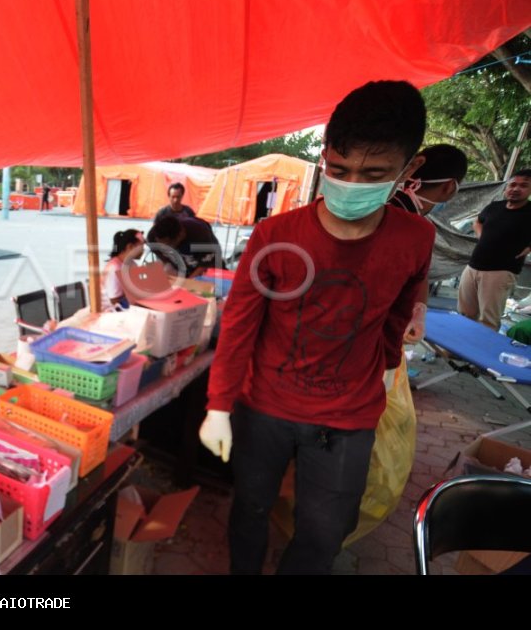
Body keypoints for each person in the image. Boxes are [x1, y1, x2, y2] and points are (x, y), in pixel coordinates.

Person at [199, 80, 433, 574]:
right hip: (263, 406)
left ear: (408, 170)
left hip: (349, 415)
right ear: (325, 156)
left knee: (326, 530)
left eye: (373, 173)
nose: (351, 184)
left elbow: (399, 309)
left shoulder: (416, 237)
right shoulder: (275, 235)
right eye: (339, 169)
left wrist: (387, 367)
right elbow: (239, 325)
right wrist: (219, 405)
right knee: (251, 508)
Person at [389, 143, 468, 342]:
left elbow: (419, 273)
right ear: (450, 187)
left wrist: (419, 310)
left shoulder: (394, 210)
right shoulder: (412, 225)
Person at [457, 170, 531, 330]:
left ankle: (477, 354)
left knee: (488, 320)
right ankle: (455, 352)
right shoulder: (494, 206)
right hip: (473, 266)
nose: (516, 189)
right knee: (464, 314)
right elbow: (477, 221)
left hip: (501, 271)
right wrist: (482, 237)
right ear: (506, 187)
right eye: (512, 185)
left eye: (523, 186)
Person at [146, 211, 222, 277]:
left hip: (207, 265)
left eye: (167, 245)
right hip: (183, 266)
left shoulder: (200, 234)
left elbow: (204, 265)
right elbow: (166, 262)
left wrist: (187, 283)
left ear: (180, 235)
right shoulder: (152, 239)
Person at [101, 229, 144, 310]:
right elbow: (114, 300)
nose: (144, 250)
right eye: (142, 247)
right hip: (111, 311)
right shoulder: (114, 268)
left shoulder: (132, 264)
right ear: (130, 247)